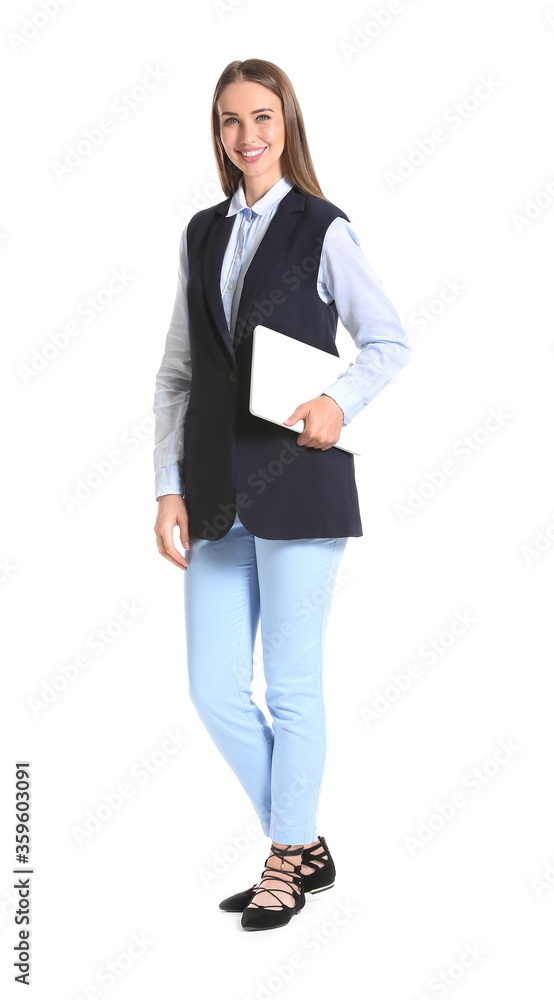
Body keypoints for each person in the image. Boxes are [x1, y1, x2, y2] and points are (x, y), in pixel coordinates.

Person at [153, 58, 411, 931]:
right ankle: (301, 842)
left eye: (263, 116)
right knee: (213, 687)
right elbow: (180, 372)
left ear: (287, 124)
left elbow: (388, 340)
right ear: (218, 134)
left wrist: (339, 401)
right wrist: (167, 488)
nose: (248, 135)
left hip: (299, 483)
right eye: (231, 121)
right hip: (216, 492)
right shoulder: (200, 233)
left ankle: (283, 863)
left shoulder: (323, 228)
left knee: (292, 686)